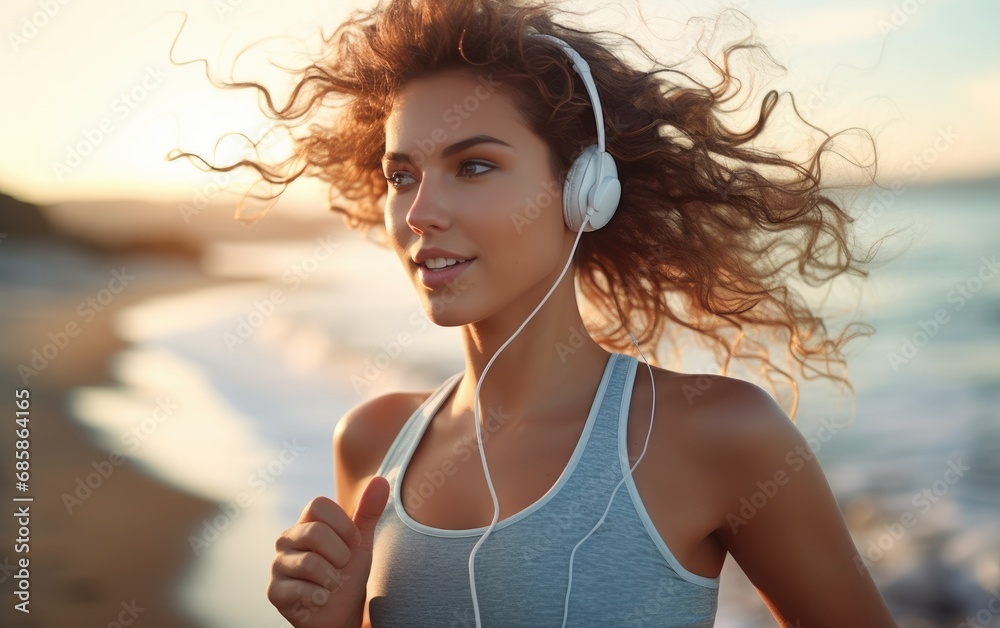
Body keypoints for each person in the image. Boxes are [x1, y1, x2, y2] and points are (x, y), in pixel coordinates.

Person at [174, 0, 897, 625]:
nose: (420, 212)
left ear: (585, 190)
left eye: (475, 165)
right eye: (401, 176)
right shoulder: (369, 443)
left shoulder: (720, 435)